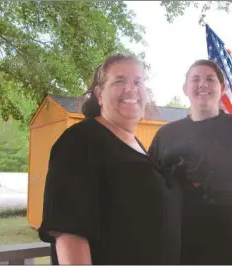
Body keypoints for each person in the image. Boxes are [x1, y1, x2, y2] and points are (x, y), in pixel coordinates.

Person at [38, 53, 182, 265]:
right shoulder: (80, 142)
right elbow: (70, 233)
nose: (131, 89)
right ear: (99, 95)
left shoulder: (137, 146)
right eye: (119, 80)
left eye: (138, 82)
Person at [148, 59, 232, 265]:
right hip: (179, 255)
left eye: (210, 79)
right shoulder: (165, 136)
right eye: (195, 79)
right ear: (185, 89)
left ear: (222, 88)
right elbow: (150, 197)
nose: (202, 84)